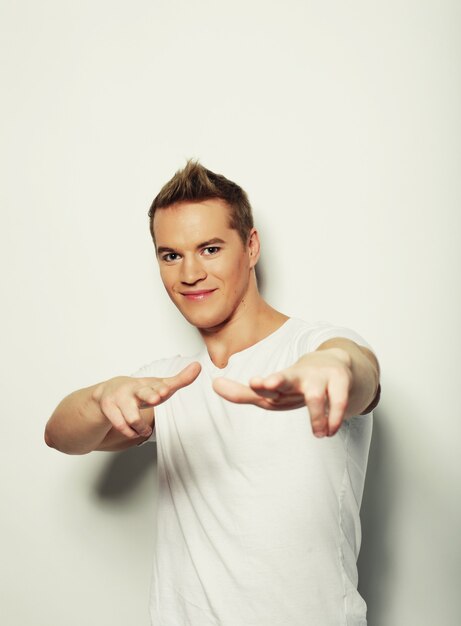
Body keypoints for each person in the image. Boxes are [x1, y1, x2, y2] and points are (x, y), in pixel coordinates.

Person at [45, 161, 380, 626]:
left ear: (251, 246)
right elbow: (61, 435)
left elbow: (358, 372)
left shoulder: (312, 347)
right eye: (171, 255)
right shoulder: (170, 383)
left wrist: (335, 364)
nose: (190, 273)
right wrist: (104, 394)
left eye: (210, 248)